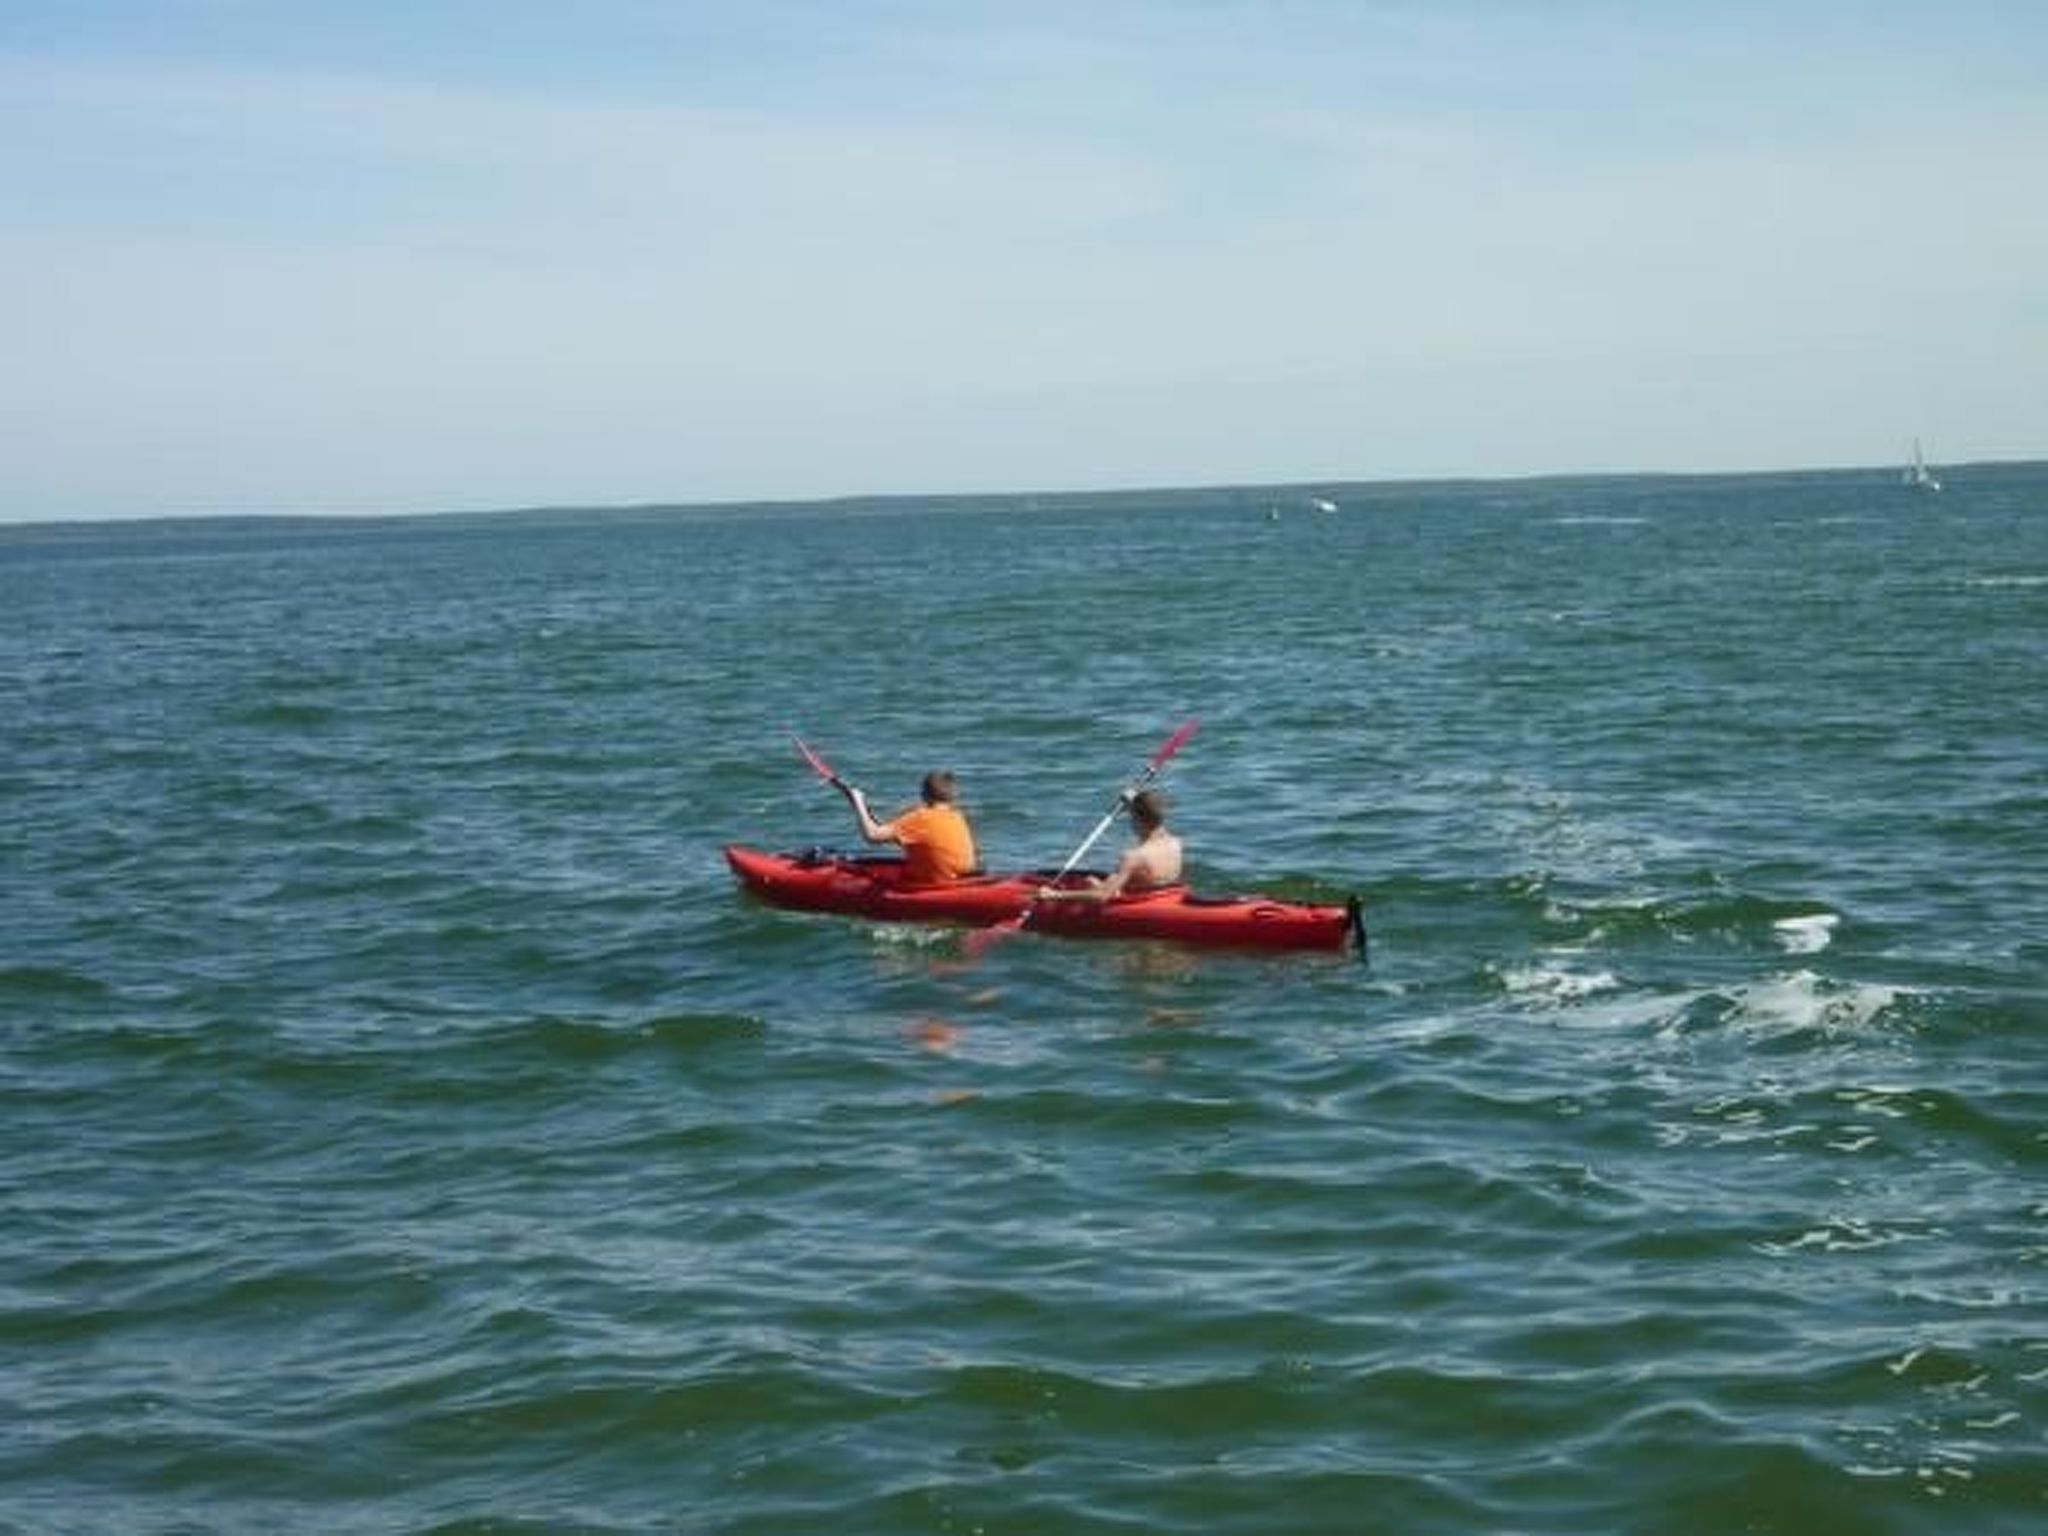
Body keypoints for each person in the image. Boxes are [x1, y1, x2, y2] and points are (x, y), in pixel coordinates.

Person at [1033, 789, 1183, 905]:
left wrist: (1054, 895)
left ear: (1137, 818)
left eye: (1131, 817)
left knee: (1089, 882)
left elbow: (1102, 896)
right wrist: (1132, 804)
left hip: (1137, 903)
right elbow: (1148, 814)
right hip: (1164, 896)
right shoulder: (1175, 843)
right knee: (1092, 880)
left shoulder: (1134, 857)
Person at [839, 769, 979, 884]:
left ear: (923, 794)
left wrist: (858, 801)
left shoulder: (920, 818)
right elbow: (906, 838)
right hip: (961, 878)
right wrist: (864, 810)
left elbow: (872, 836)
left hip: (935, 884)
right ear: (953, 795)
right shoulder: (957, 816)